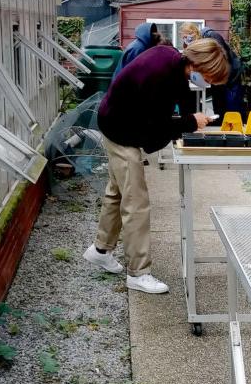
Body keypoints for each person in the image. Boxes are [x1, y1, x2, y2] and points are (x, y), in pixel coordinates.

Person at [83, 38, 230, 294]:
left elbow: (179, 99)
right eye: (209, 77)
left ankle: (100, 250)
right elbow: (154, 125)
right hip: (121, 129)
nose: (208, 84)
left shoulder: (171, 58)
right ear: (199, 65)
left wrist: (190, 120)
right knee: (136, 203)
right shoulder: (160, 74)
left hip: (115, 120)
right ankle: (138, 273)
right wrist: (189, 123)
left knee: (117, 192)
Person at [181, 23, 245, 117]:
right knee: (219, 104)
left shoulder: (212, 36)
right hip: (216, 78)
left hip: (231, 76)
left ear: (194, 32)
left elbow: (221, 59)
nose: (187, 40)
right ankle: (221, 125)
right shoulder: (197, 46)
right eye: (184, 38)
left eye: (188, 36)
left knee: (232, 106)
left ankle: (234, 127)